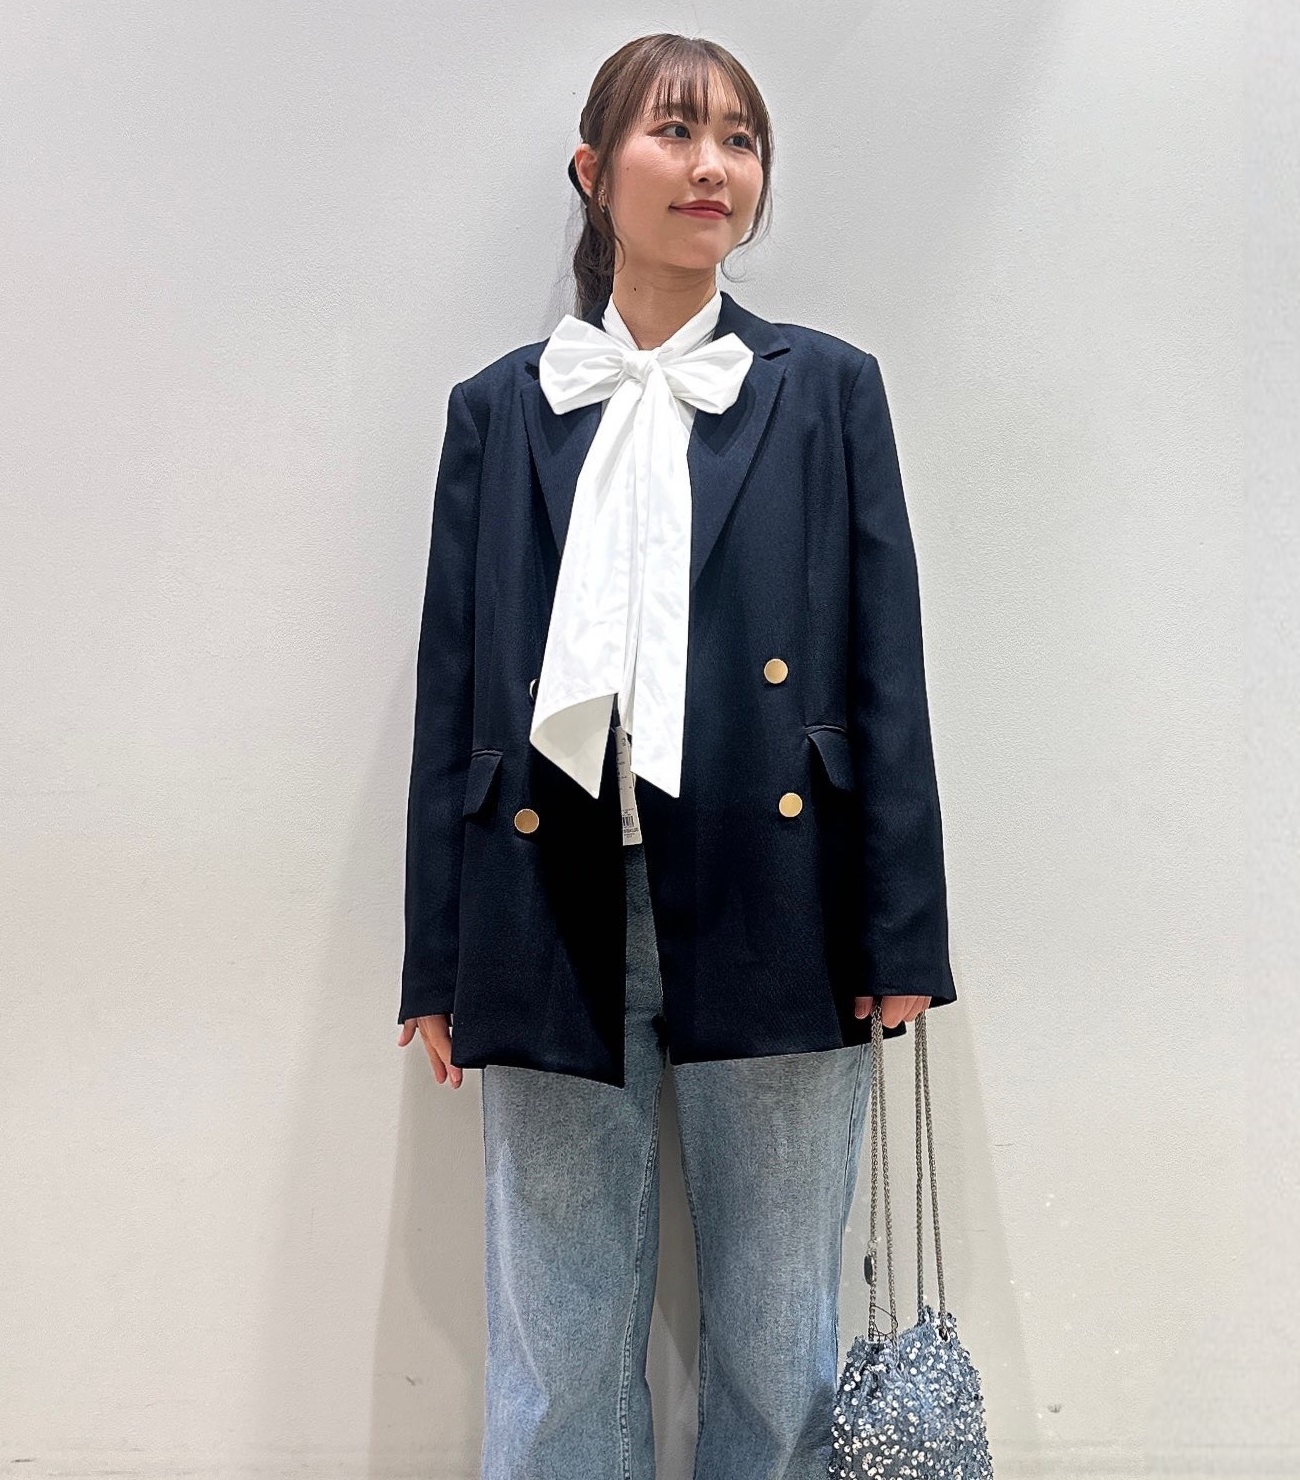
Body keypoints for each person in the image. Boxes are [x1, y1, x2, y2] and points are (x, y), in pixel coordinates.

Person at [396, 32, 957, 1480]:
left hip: (785, 900)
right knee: (556, 1350)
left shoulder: (826, 390)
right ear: (594, 173)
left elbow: (885, 669)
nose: (714, 167)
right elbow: (456, 690)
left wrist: (903, 931)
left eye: (741, 141)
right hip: (546, 904)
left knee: (779, 1346)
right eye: (676, 132)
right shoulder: (500, 408)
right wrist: (436, 958)